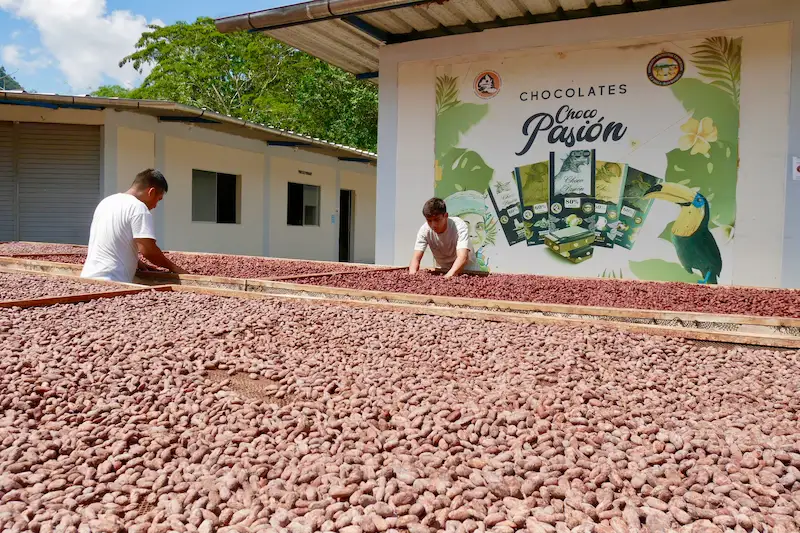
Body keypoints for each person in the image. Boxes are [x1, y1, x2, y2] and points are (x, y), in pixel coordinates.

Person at [81, 169, 188, 283]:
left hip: (87, 277)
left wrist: (135, 261)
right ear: (151, 192)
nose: (156, 205)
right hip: (113, 279)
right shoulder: (138, 208)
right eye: (158, 199)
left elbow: (111, 239)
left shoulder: (106, 202)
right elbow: (148, 250)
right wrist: (174, 268)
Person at [409, 197, 473, 278]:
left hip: (469, 271)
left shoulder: (459, 226)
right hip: (443, 270)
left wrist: (447, 277)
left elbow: (463, 257)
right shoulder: (424, 230)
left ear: (446, 216)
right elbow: (416, 258)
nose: (433, 224)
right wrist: (412, 276)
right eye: (429, 220)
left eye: (437, 219)